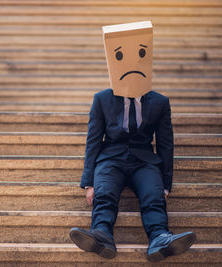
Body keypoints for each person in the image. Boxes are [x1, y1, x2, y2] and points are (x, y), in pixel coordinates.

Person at [69, 21, 196, 262]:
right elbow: (93, 141)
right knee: (104, 193)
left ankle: (160, 238)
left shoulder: (159, 102)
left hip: (144, 160)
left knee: (153, 195)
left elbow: (166, 144)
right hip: (111, 158)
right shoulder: (102, 99)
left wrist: (166, 184)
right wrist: (88, 183)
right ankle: (101, 235)